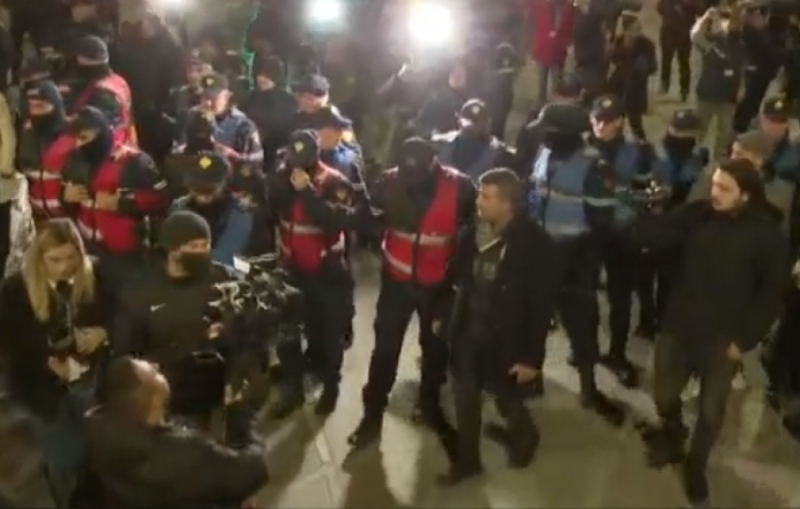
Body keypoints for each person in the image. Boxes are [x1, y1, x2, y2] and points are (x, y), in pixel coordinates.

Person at [638, 158, 787, 506]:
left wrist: (744, 340)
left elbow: (770, 295)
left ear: (745, 196)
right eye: (714, 184)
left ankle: (696, 465)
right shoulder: (698, 214)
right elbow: (651, 238)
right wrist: (654, 213)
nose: (713, 193)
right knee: (663, 394)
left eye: (723, 188)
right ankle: (673, 432)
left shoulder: (766, 236)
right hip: (679, 324)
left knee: (710, 410)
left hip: (723, 339)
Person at [347, 138, 474, 455]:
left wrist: (456, 281)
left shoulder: (460, 187)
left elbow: (472, 236)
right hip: (397, 282)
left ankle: (429, 404)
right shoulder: (389, 182)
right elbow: (368, 219)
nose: (410, 179)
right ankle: (372, 414)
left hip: (438, 286)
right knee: (385, 350)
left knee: (435, 348)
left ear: (434, 164)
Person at [434, 168, 558, 485]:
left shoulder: (535, 244)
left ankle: (525, 436)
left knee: (505, 394)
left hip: (504, 337)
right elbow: (456, 274)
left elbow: (541, 306)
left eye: (486, 197)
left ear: (507, 204)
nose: (478, 201)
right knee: (465, 397)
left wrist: (531, 358)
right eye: (480, 193)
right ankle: (468, 463)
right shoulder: (474, 231)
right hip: (468, 331)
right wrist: (442, 313)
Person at [0, 219, 113, 508]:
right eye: (55, 259)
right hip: (41, 393)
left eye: (71, 257)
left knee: (96, 449)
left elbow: (117, 314)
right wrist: (49, 364)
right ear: (39, 258)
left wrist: (104, 333)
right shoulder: (14, 290)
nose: (65, 266)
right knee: (64, 458)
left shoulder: (95, 273)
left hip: (88, 382)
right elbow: (12, 348)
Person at [528, 103, 626, 424]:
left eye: (548, 131)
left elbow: (602, 224)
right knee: (532, 321)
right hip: (540, 253)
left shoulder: (595, 167)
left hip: (575, 260)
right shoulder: (545, 151)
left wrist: (586, 267)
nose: (543, 135)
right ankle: (531, 380)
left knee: (581, 327)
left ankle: (589, 388)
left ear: (565, 135)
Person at [111, 211, 252, 425]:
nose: (202, 252)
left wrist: (237, 376)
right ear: (173, 250)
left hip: (216, 383)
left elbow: (243, 333)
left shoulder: (222, 278)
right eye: (194, 246)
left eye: (206, 245)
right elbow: (126, 351)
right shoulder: (141, 291)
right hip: (168, 391)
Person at [85, 357, 268, 507]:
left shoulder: (97, 435)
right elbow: (254, 470)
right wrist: (241, 417)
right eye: (154, 372)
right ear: (154, 400)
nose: (156, 365)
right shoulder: (186, 453)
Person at [266, 130, 357, 417]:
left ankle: (330, 387)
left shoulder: (334, 181)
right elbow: (271, 210)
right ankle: (293, 388)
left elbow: (337, 220)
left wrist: (307, 192)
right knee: (288, 332)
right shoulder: (281, 176)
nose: (297, 166)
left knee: (329, 334)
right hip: (291, 269)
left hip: (326, 272)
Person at [60, 106, 169, 289]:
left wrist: (122, 202)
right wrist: (64, 195)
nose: (78, 144)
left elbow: (161, 198)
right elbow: (66, 197)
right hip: (85, 249)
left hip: (126, 254)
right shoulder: (75, 160)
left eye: (84, 138)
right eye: (76, 138)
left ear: (101, 134)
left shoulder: (134, 161)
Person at [587, 95, 650, 385]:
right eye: (597, 119)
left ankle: (617, 354)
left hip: (621, 234)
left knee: (620, 298)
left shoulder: (637, 152)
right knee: (584, 295)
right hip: (587, 233)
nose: (601, 125)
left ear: (620, 121)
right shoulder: (580, 148)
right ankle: (586, 348)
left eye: (608, 120)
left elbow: (647, 190)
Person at [171, 151, 269, 266]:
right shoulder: (179, 207)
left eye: (209, 191)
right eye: (197, 190)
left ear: (224, 184)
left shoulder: (242, 213)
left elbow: (229, 258)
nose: (202, 197)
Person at [691, 6, 747, 160]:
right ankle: (693, 158)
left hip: (728, 96)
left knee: (724, 133)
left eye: (737, 21)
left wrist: (742, 87)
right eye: (730, 21)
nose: (734, 25)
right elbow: (695, 36)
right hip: (708, 93)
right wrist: (705, 18)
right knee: (699, 129)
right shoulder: (713, 40)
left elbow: (741, 67)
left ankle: (718, 162)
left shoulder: (741, 44)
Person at [18, 81, 74, 222]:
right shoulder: (26, 132)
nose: (36, 108)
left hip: (71, 216)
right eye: (33, 104)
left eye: (42, 104)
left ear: (56, 105)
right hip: (36, 216)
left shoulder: (71, 132)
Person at [185, 72, 263, 171]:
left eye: (214, 98)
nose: (208, 103)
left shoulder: (242, 124)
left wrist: (235, 156)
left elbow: (258, 157)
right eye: (205, 97)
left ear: (226, 97)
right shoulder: (193, 117)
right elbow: (180, 145)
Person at [66, 35, 136, 146]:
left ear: (80, 60)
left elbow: (88, 128)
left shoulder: (99, 93)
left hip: (102, 152)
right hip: (124, 145)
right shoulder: (119, 81)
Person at [431, 99, 518, 182]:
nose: (475, 127)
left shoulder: (501, 153)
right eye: (470, 122)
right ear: (459, 122)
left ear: (488, 123)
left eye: (480, 122)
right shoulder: (439, 143)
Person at [733, 1, 782, 134]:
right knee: (748, 105)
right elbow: (770, 53)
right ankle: (739, 131)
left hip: (761, 74)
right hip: (755, 73)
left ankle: (743, 128)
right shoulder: (751, 33)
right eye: (759, 13)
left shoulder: (760, 32)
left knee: (752, 104)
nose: (763, 17)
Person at [241, 56, 296, 170]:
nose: (261, 79)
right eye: (260, 75)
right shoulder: (251, 97)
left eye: (267, 76)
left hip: (274, 152)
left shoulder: (287, 101)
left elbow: (287, 127)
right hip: (251, 149)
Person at [527, 0, 575, 105]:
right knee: (543, 83)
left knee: (555, 83)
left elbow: (570, 28)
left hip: (557, 51)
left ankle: (552, 105)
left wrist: (568, 44)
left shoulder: (568, 9)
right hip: (544, 48)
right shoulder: (542, 7)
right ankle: (542, 104)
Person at [658, 0, 703, 101]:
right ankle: (665, 85)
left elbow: (701, 11)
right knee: (666, 60)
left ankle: (684, 90)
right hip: (669, 32)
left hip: (684, 33)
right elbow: (660, 8)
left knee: (683, 62)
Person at [415, 60, 471, 138]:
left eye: (461, 74)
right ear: (449, 75)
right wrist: (433, 134)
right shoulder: (438, 96)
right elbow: (423, 120)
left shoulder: (469, 99)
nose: (458, 77)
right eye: (455, 73)